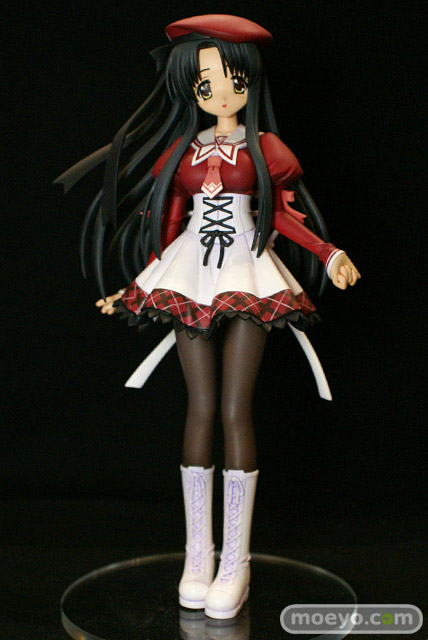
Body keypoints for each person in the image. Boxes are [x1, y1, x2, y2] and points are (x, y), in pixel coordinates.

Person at [55, 14, 360, 620]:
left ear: (251, 82)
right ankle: (199, 554)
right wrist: (138, 285)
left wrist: (329, 253)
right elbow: (168, 227)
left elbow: (279, 215)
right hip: (192, 272)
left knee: (234, 408)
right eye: (205, 83)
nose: (221, 93)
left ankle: (235, 561)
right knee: (199, 406)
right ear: (188, 89)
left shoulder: (265, 149)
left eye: (233, 80)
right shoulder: (183, 152)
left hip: (247, 270)